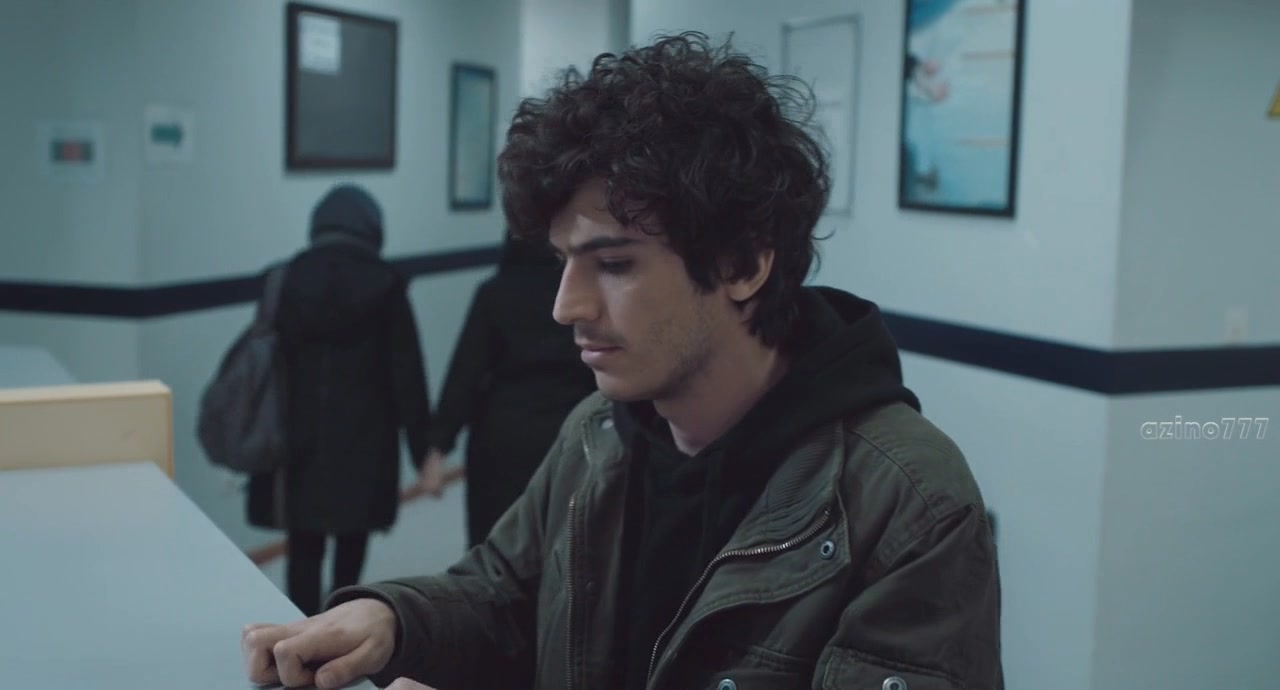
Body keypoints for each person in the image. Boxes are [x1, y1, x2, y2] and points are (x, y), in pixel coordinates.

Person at [241, 33, 1003, 690]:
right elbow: (504, 593)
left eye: (613, 264)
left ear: (743, 264)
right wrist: (393, 619)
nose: (565, 307)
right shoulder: (597, 434)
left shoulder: (911, 506)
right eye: (563, 262)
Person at [245, 184, 439, 617]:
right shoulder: (387, 284)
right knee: (353, 538)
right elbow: (407, 373)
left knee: (303, 542)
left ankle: (301, 629)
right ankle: (340, 621)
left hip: (297, 435)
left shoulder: (285, 279)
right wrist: (422, 450)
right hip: (365, 436)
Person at [425, 230, 597, 549]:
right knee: (562, 541)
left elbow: (466, 372)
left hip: (501, 433)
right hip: (569, 428)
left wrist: (438, 448)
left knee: (494, 542)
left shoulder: (495, 293)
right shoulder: (582, 294)